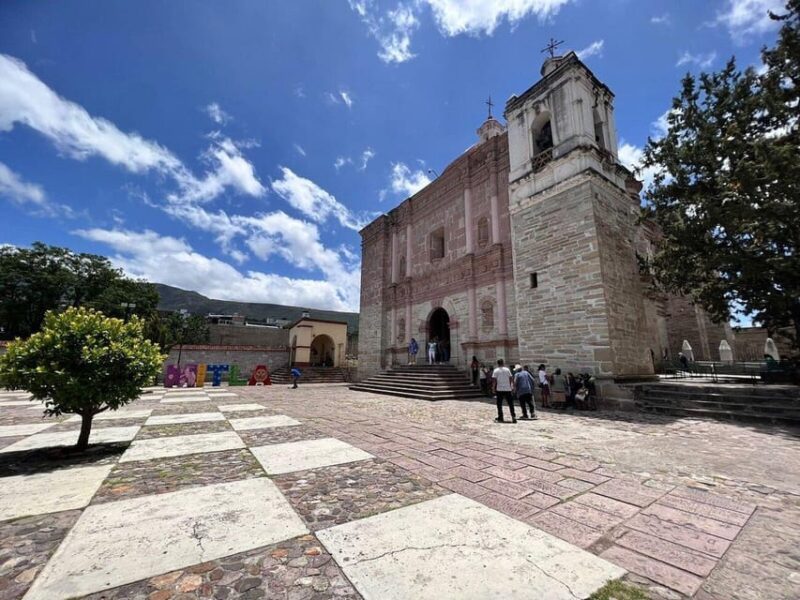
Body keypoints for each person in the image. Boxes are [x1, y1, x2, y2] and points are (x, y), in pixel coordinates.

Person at [492, 358, 517, 423]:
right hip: (507, 389)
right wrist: (512, 386)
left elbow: (494, 380)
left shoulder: (496, 370)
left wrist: (493, 388)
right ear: (503, 363)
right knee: (510, 403)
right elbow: (511, 378)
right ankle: (513, 416)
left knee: (499, 404)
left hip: (499, 389)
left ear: (498, 364)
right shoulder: (507, 369)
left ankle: (501, 417)